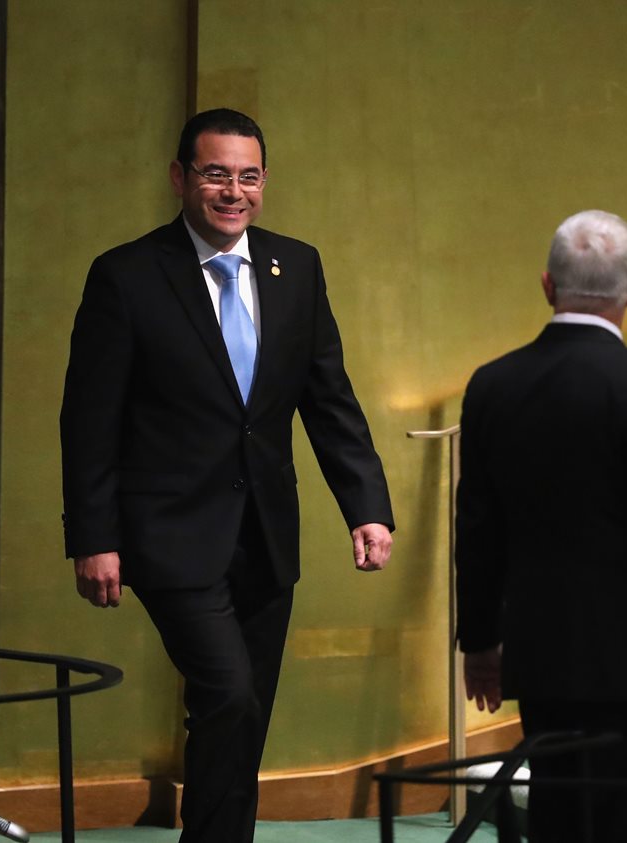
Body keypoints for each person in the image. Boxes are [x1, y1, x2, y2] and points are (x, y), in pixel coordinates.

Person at [60, 108, 394, 842]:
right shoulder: (126, 276)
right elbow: (89, 421)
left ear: (264, 182)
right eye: (215, 173)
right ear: (181, 177)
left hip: (267, 534)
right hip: (169, 533)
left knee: (243, 717)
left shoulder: (296, 267)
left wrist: (366, 506)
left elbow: (329, 399)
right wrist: (94, 535)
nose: (232, 191)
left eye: (247, 176)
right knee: (229, 693)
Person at [454, 210, 627, 842]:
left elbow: (478, 527)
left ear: (548, 286)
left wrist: (481, 640)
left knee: (559, 818)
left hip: (539, 650)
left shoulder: (492, 386)